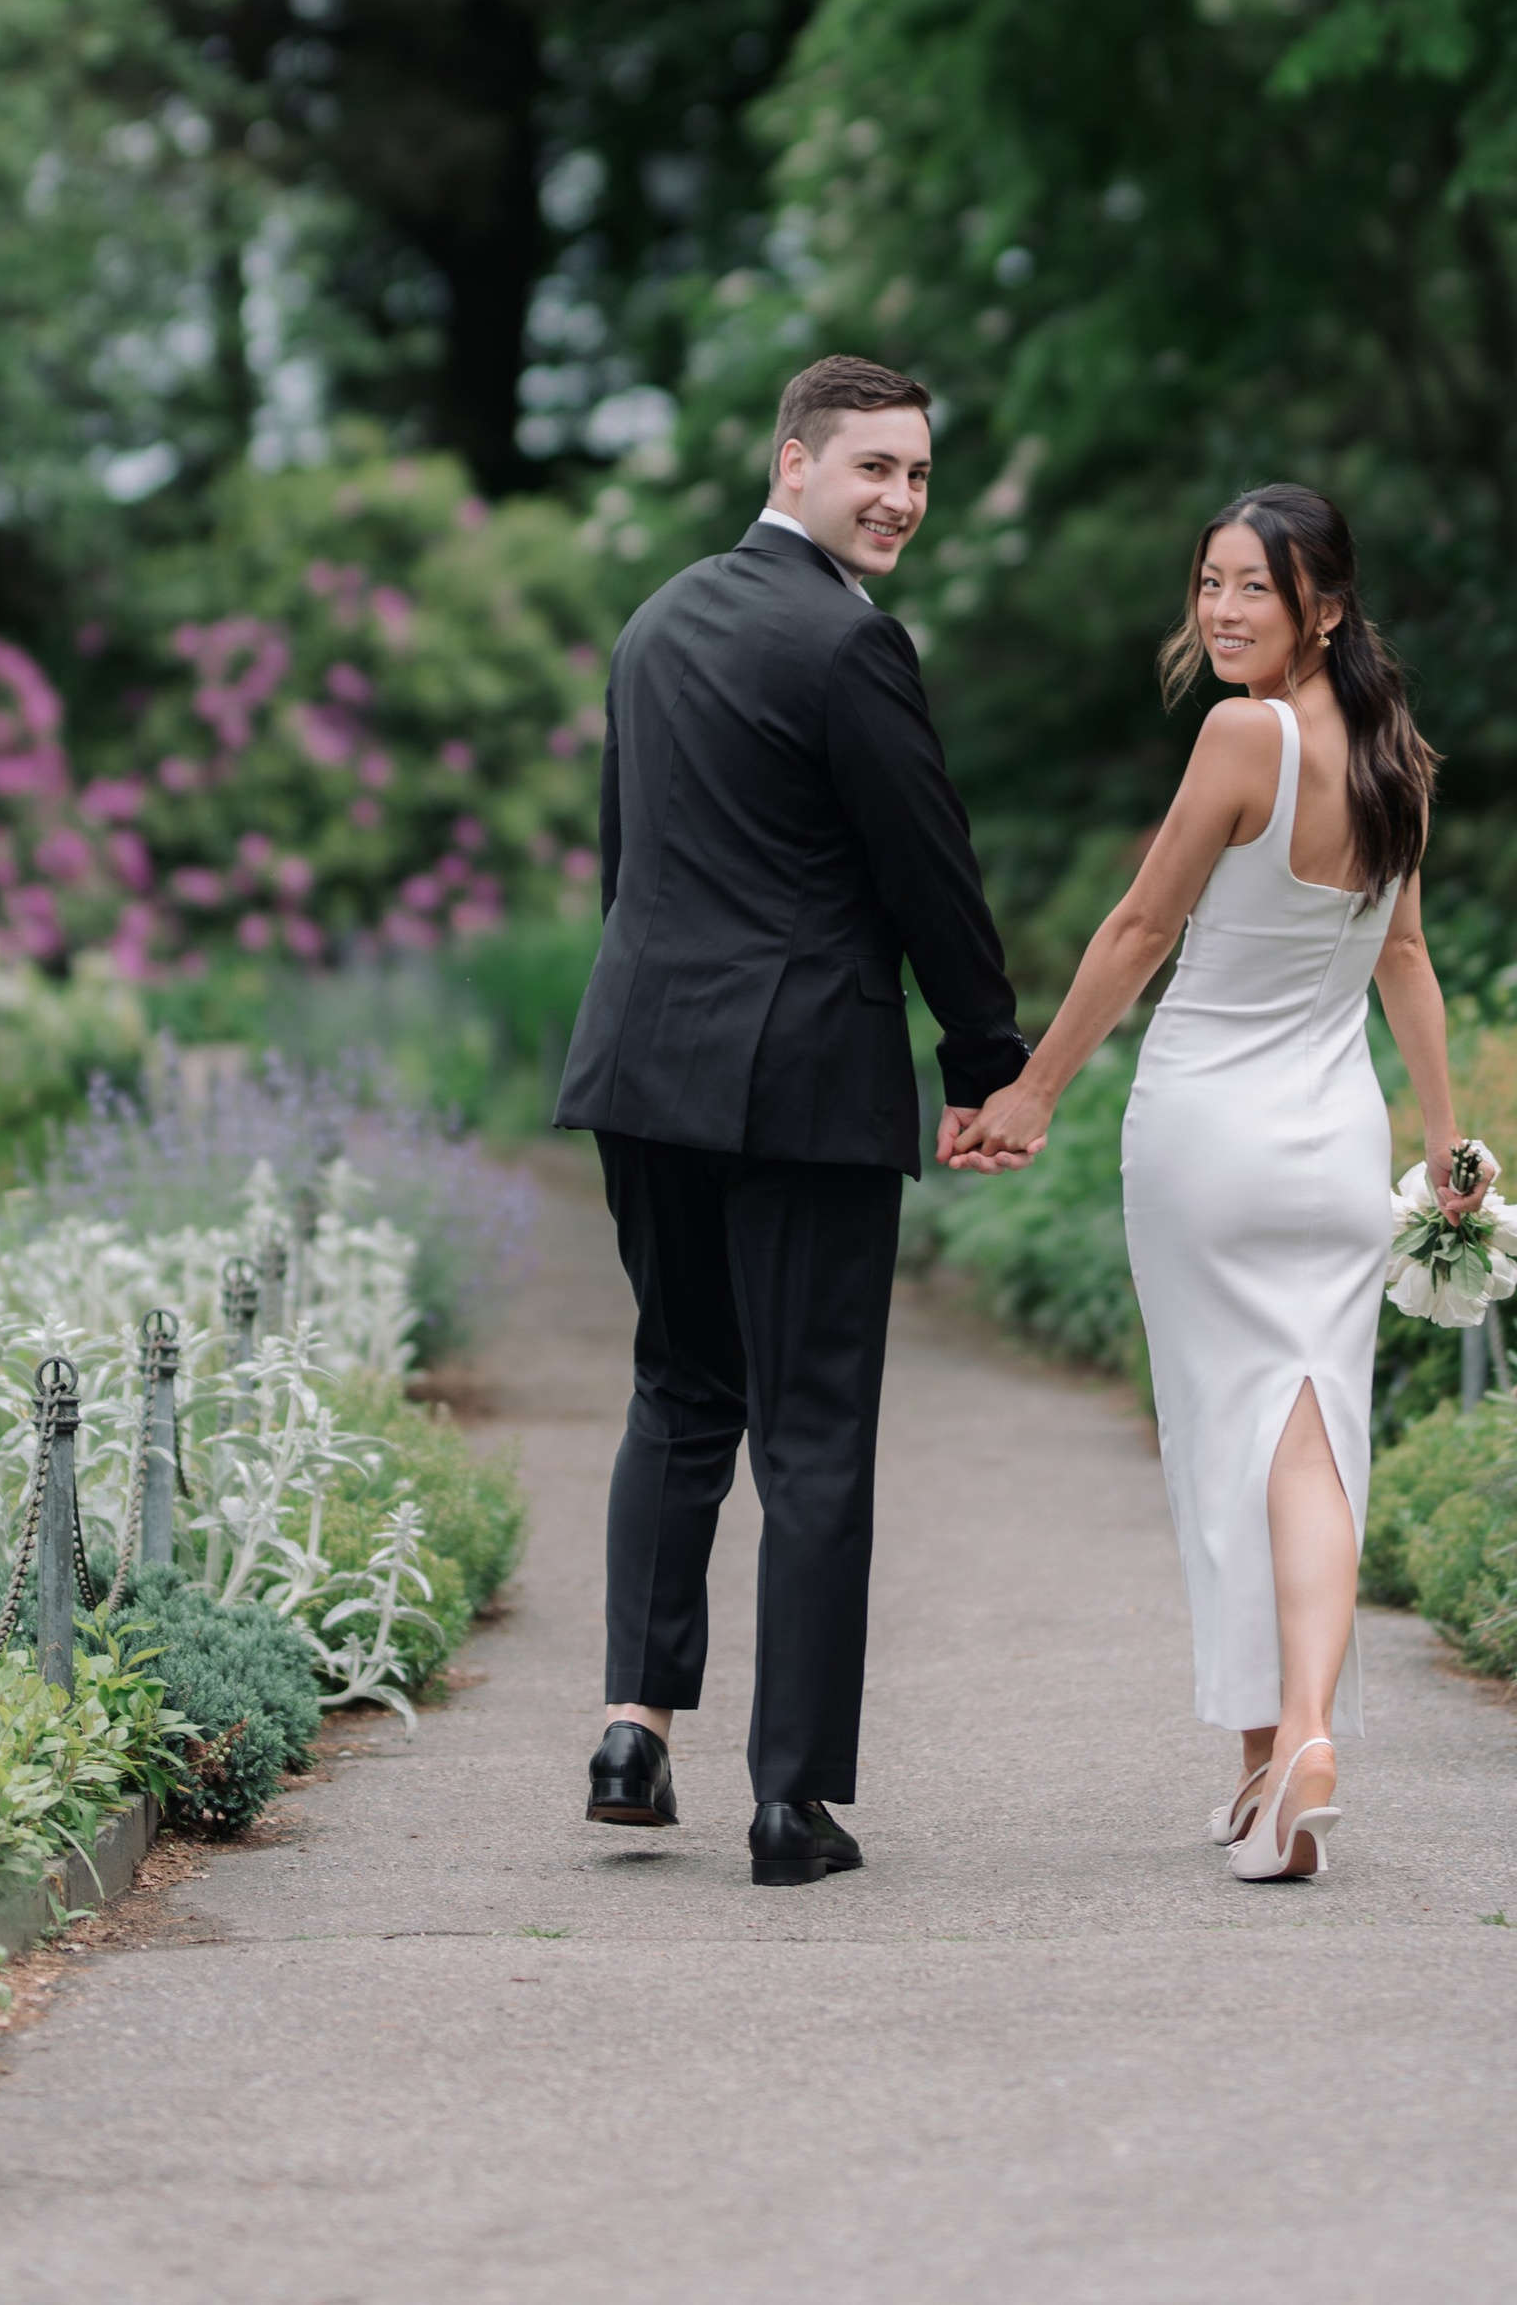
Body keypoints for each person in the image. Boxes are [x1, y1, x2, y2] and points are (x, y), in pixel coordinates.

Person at [945, 485, 1487, 1883]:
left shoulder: (1243, 736)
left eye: (1257, 587)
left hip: (1206, 1140)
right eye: (1210, 584)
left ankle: (1280, 1748)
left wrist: (1033, 1091)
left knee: (1224, 1450)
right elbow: (1404, 960)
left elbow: (1140, 927)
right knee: (1310, 1442)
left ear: (1325, 609)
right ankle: (1283, 1752)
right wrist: (1442, 1140)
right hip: (1332, 1147)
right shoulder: (1397, 757)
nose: (1225, 611)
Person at [554, 353, 1029, 1885]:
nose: (899, 500)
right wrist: (983, 1057)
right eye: (872, 468)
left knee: (680, 1394)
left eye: (918, 476)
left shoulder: (654, 623)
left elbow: (625, 862)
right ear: (793, 465)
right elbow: (928, 874)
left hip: (645, 1065)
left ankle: (632, 1728)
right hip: (803, 1084)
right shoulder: (850, 643)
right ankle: (789, 1801)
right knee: (812, 1431)